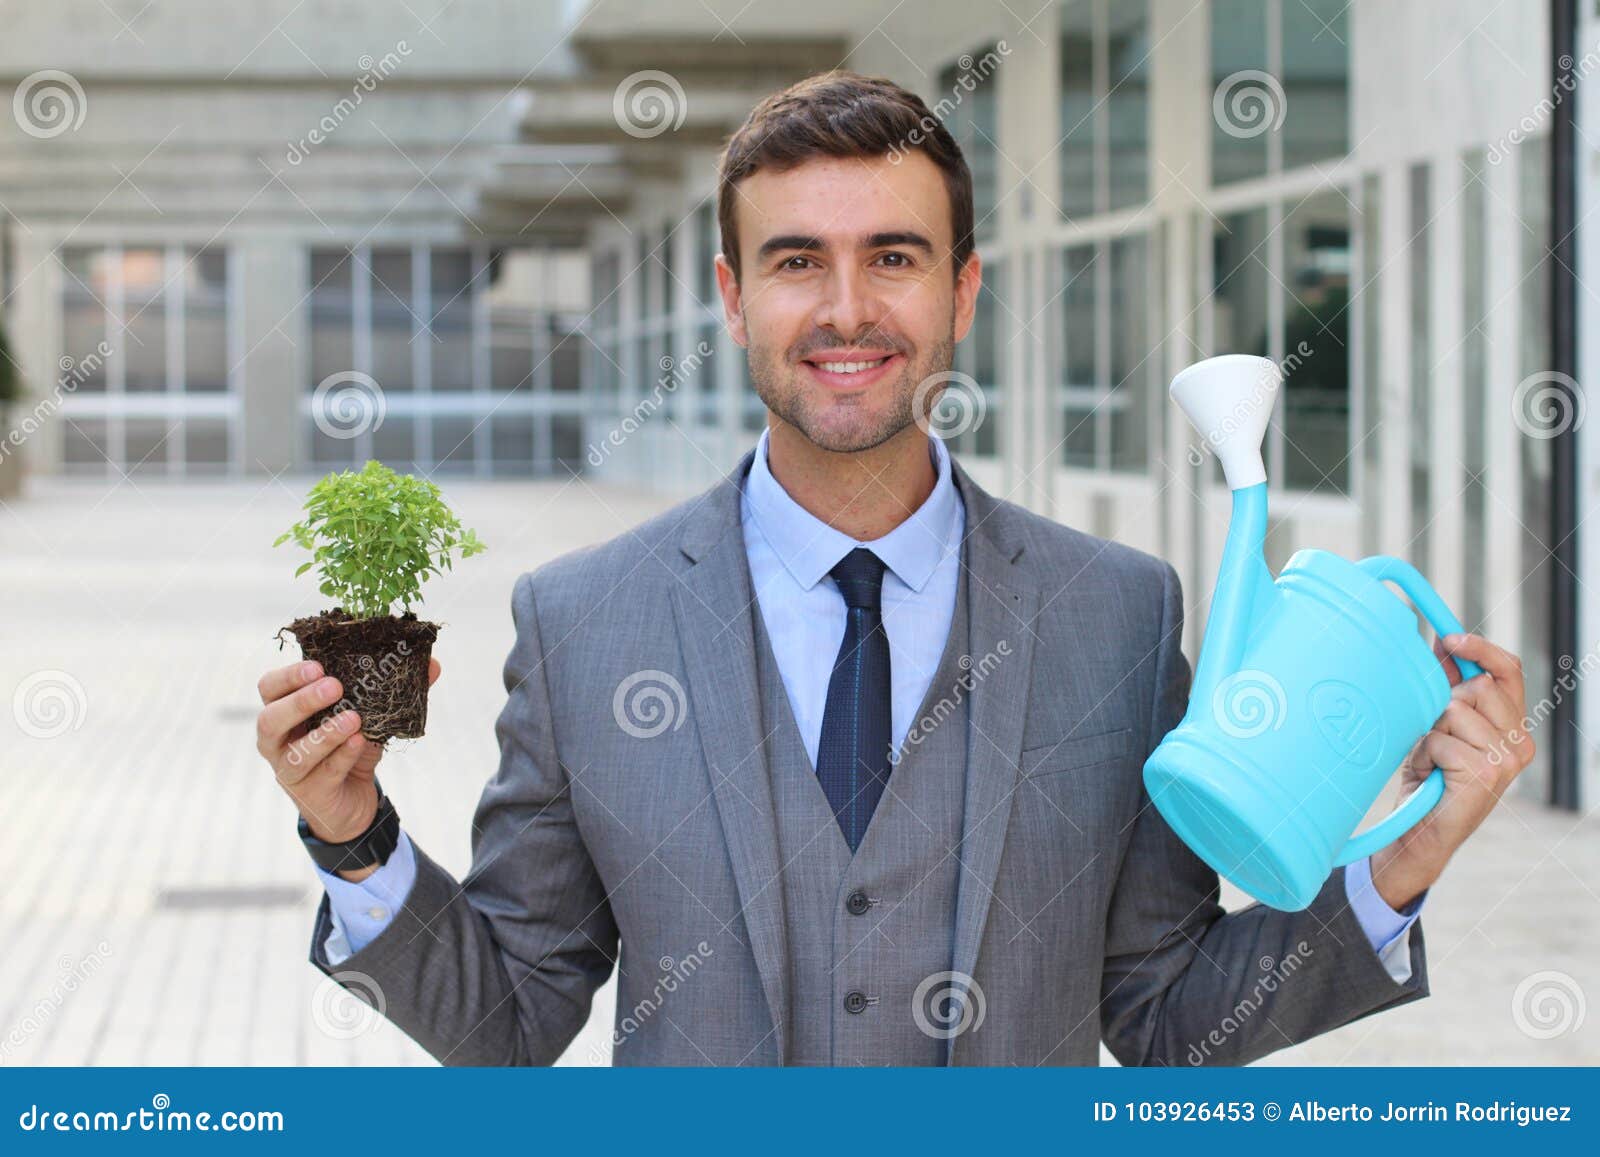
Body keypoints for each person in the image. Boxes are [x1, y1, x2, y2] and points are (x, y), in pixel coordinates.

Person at [254, 72, 1533, 1066]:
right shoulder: (589, 618)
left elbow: (1164, 1021)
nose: (848, 309)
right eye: (797, 259)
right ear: (732, 294)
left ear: (964, 290)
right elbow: (509, 1026)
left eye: (895, 257)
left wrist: (1405, 855)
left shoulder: (1116, 615)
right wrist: (354, 835)